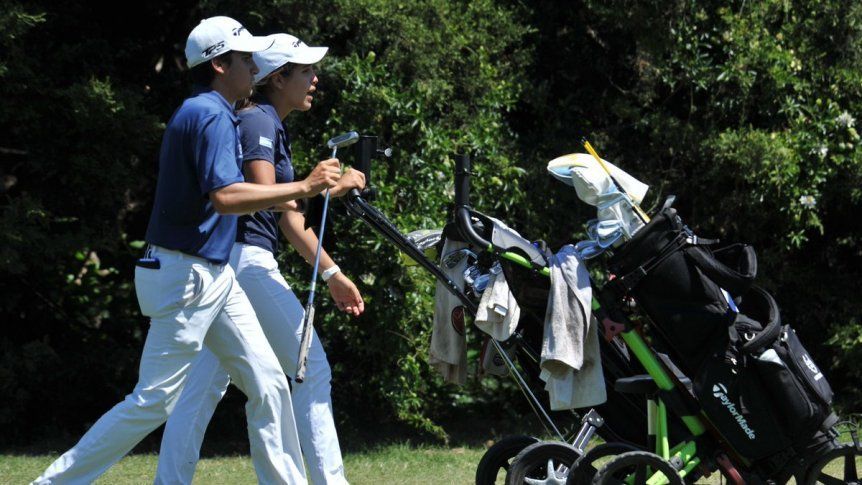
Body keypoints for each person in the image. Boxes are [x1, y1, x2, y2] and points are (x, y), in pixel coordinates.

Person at [33, 17, 347, 485]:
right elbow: (226, 197)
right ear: (221, 64)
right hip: (187, 276)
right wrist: (304, 185)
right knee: (152, 402)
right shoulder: (210, 114)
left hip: (212, 274)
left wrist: (304, 189)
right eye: (246, 59)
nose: (255, 66)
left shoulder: (210, 111)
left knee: (268, 384)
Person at [156, 33, 365, 485]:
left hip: (230, 263)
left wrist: (330, 271)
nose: (314, 79)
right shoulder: (260, 123)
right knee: (310, 371)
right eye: (305, 70)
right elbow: (276, 204)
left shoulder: (262, 120)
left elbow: (286, 211)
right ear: (277, 77)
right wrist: (330, 192)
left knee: (204, 388)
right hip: (245, 264)